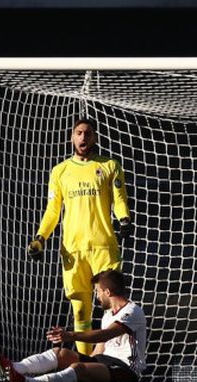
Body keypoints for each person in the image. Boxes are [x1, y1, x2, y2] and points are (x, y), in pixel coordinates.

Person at [27, 118, 132, 355]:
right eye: (79, 133)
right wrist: (40, 238)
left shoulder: (110, 166)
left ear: (94, 138)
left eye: (87, 133)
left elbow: (119, 200)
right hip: (74, 250)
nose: (83, 137)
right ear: (72, 137)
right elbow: (53, 211)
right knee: (81, 311)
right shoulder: (60, 171)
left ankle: (119, 360)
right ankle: (84, 366)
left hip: (103, 246)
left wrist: (124, 219)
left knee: (114, 305)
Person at [0, 270, 146, 382]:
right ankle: (13, 368)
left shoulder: (132, 311)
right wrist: (88, 361)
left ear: (108, 292)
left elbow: (105, 334)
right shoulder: (107, 316)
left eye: (98, 291)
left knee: (77, 368)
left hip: (125, 372)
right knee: (60, 353)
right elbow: (99, 349)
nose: (96, 296)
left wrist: (71, 335)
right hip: (104, 363)